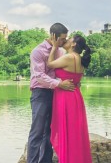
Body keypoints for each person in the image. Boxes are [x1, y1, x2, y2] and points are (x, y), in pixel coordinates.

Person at [27, 23, 75, 163]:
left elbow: (60, 72)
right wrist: (59, 83)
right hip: (40, 94)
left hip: (56, 94)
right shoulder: (38, 51)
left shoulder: (60, 51)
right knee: (37, 131)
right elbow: (39, 76)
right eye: (62, 39)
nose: (64, 42)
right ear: (53, 36)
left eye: (65, 39)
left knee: (50, 131)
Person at [47, 34, 92, 163]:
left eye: (70, 38)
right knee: (75, 132)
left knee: (67, 131)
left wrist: (54, 48)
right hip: (76, 96)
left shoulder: (69, 57)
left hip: (65, 97)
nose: (67, 40)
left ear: (73, 44)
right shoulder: (80, 59)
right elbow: (77, 82)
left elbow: (49, 64)